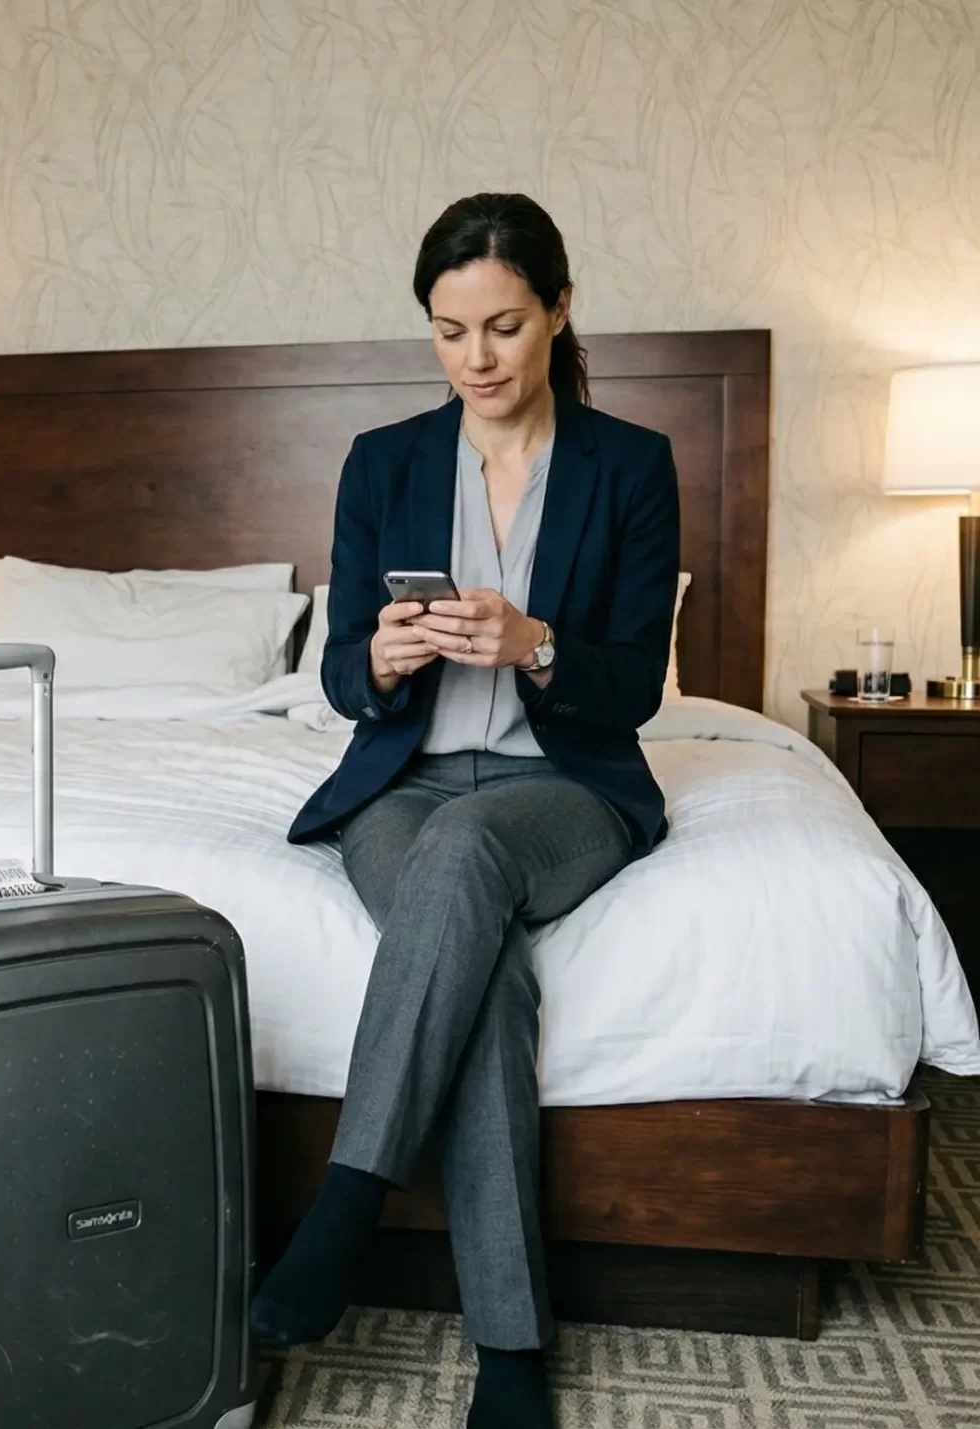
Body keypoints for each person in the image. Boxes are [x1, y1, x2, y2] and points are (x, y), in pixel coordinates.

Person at [258, 193, 682, 1429]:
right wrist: (384, 659)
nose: (478, 360)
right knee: (481, 964)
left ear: (558, 309)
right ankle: (509, 1349)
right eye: (449, 334)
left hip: (564, 791)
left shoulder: (629, 464)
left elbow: (636, 689)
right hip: (408, 784)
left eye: (503, 325)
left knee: (471, 851)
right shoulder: (382, 460)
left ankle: (343, 1204)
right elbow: (339, 674)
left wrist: (536, 641)